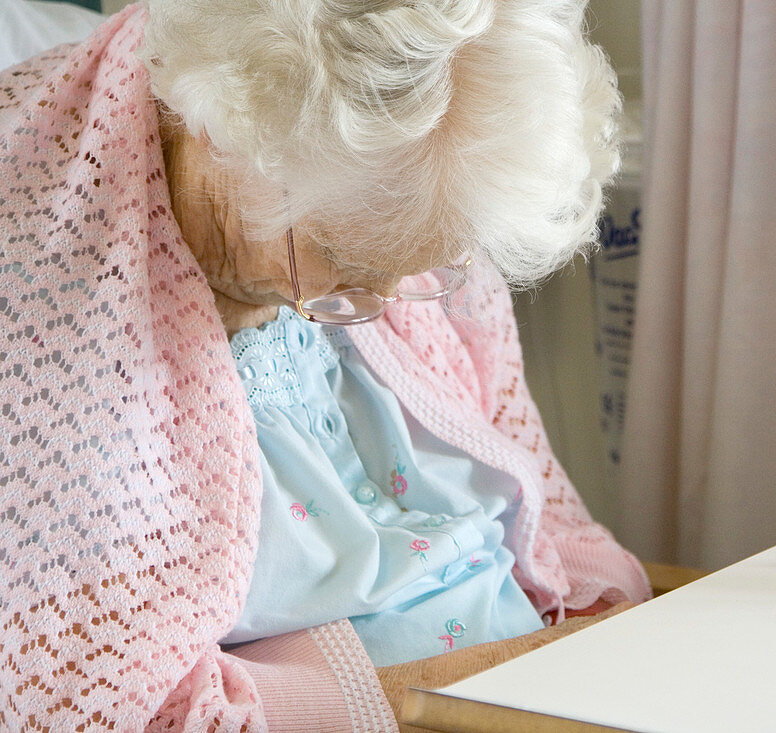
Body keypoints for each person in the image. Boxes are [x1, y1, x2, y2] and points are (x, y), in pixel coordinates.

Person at [0, 1, 651, 729]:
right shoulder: (39, 313)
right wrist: (494, 687)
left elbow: (560, 544)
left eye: (426, 262)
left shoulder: (419, 167)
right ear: (222, 132)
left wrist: (607, 652)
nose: (383, 298)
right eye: (345, 261)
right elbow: (104, 708)